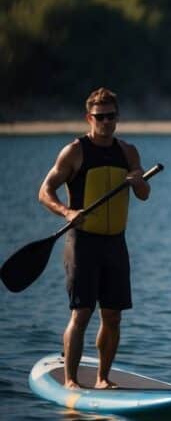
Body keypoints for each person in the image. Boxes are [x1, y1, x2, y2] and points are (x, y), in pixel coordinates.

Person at [38, 88, 151, 389]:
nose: (106, 122)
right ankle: (71, 380)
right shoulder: (75, 151)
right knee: (82, 312)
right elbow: (44, 191)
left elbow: (143, 194)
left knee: (113, 316)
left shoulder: (128, 152)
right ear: (89, 118)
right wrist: (66, 211)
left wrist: (138, 181)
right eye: (100, 117)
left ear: (117, 117)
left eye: (111, 116)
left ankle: (103, 378)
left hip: (115, 243)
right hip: (83, 242)